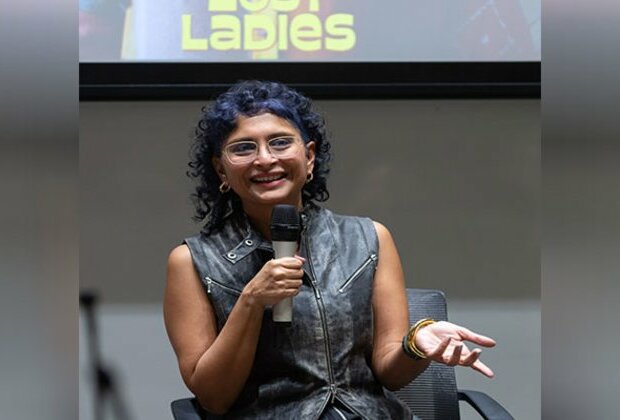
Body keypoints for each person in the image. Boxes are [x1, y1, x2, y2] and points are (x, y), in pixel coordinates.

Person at [164, 80, 496, 419]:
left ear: (309, 157)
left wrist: (417, 344)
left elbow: (390, 373)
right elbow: (213, 398)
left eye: (280, 143)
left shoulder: (369, 237)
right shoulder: (191, 261)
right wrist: (251, 301)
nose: (265, 159)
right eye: (244, 148)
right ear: (221, 169)